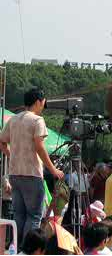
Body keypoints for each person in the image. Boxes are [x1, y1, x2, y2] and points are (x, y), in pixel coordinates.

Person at [0, 88, 64, 246]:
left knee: (19, 215)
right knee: (34, 216)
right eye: (43, 102)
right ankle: (29, 249)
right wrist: (53, 169)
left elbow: (2, 142)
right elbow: (40, 147)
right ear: (37, 102)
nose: (43, 105)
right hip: (32, 174)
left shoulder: (13, 120)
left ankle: (17, 247)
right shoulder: (37, 120)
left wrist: (11, 155)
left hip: (15, 174)